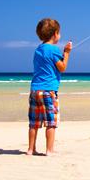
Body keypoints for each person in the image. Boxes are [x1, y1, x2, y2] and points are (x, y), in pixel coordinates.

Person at [27, 17, 72, 155]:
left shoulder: (38, 49)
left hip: (35, 90)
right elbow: (62, 67)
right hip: (49, 91)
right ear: (55, 34)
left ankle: (31, 149)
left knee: (34, 122)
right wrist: (66, 53)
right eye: (59, 33)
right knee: (50, 122)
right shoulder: (54, 50)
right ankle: (49, 150)